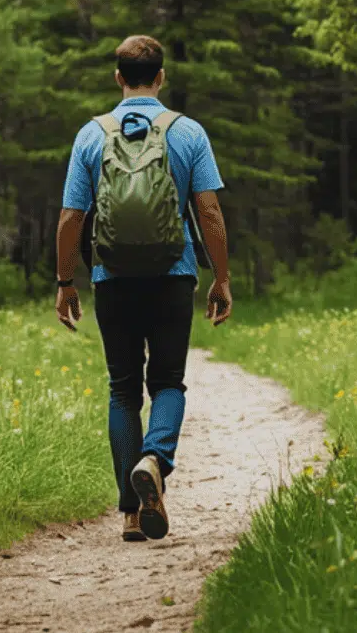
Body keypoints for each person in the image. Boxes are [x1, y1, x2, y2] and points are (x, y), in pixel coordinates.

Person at [54, 35, 233, 542]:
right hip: (173, 276)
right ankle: (154, 459)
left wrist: (66, 281)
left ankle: (132, 514)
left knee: (123, 389)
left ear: (118, 77)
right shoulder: (188, 132)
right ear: (161, 77)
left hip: (112, 278)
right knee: (169, 382)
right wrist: (220, 277)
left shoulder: (91, 135)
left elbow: (71, 217)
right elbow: (209, 212)